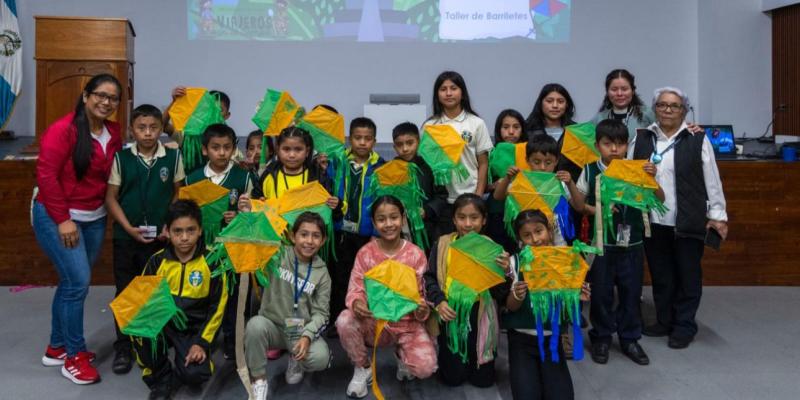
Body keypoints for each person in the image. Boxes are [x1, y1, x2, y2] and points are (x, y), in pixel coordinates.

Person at [34, 73, 123, 385]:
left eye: (113, 98)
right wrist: (62, 220)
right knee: (78, 283)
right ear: (86, 95)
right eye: (100, 94)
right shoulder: (64, 130)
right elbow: (46, 176)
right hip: (58, 215)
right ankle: (73, 355)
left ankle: (56, 346)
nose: (106, 102)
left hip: (94, 217)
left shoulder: (113, 131)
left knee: (71, 283)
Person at [629, 87, 728, 349]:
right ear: (655, 109)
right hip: (653, 219)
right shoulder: (641, 138)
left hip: (688, 218)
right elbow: (627, 176)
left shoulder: (697, 138)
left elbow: (712, 179)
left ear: (683, 110)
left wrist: (718, 215)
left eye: (674, 106)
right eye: (662, 105)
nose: (668, 110)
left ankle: (684, 325)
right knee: (661, 275)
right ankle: (664, 320)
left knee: (688, 275)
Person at [566, 119, 663, 365]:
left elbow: (659, 198)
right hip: (602, 245)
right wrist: (576, 189)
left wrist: (654, 178)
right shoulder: (590, 170)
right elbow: (578, 206)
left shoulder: (637, 169)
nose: (614, 149)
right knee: (601, 293)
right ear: (598, 145)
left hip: (633, 244)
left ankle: (630, 338)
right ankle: (601, 338)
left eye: (620, 144)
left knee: (631, 293)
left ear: (626, 146)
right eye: (608, 144)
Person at [105, 104, 185, 374]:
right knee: (127, 291)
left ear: (162, 129)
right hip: (127, 237)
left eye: (153, 128)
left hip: (160, 237)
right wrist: (128, 228)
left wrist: (168, 225)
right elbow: (111, 198)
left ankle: (152, 343)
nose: (148, 133)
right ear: (132, 130)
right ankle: (124, 347)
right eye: (141, 128)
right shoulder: (121, 158)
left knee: (157, 289)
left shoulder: (172, 157)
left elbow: (178, 194)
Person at [337, 195, 437, 398]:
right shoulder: (365, 254)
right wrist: (357, 303)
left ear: (403, 218)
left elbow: (424, 294)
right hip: (374, 322)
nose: (389, 224)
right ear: (374, 223)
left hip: (407, 324)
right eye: (381, 219)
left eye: (394, 217)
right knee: (345, 320)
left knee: (426, 367)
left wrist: (423, 308)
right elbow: (355, 289)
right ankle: (363, 366)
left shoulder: (416, 254)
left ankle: (402, 354)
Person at [134, 200, 227, 400]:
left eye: (190, 230)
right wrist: (147, 327)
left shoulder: (212, 262)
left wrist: (201, 343)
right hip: (165, 323)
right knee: (142, 333)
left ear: (200, 230)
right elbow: (142, 302)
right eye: (177, 231)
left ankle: (198, 359)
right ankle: (162, 377)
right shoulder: (156, 261)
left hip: (194, 329)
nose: (184, 238)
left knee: (195, 375)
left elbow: (218, 308)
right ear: (167, 231)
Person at [424, 194, 509, 388]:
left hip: (481, 316)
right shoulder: (443, 244)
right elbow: (429, 277)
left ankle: (480, 361)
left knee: (484, 381)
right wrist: (440, 301)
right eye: (462, 217)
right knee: (452, 379)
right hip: (451, 316)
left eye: (474, 217)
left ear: (484, 220)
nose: (468, 223)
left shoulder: (492, 250)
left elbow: (500, 293)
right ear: (454, 219)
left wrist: (506, 272)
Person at [246, 212, 333, 400]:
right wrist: (248, 216)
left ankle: (295, 358)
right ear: (293, 236)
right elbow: (255, 241)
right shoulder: (277, 254)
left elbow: (321, 314)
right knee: (254, 325)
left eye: (316, 236)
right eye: (303, 234)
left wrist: (307, 336)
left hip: (297, 328)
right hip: (271, 323)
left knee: (320, 358)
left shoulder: (322, 272)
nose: (309, 241)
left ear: (323, 240)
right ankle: (259, 382)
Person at [184, 123, 253, 359]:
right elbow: (185, 214)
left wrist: (241, 215)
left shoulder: (243, 178)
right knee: (204, 294)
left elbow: (253, 214)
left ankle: (234, 342)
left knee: (233, 298)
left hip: (233, 249)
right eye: (215, 147)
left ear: (234, 149)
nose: (221, 153)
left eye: (227, 147)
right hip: (201, 248)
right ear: (205, 150)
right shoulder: (192, 178)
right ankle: (204, 340)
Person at [498, 210, 575, 400]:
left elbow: (567, 312)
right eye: (527, 235)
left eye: (539, 231)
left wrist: (576, 297)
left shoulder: (565, 261)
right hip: (521, 341)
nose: (535, 239)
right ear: (520, 239)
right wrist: (516, 294)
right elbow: (511, 307)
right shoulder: (513, 263)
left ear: (549, 231)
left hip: (552, 340)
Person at [328, 117, 385, 326]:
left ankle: (366, 322)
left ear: (374, 141)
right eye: (357, 138)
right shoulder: (337, 162)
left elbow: (382, 202)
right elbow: (326, 188)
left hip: (366, 232)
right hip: (340, 230)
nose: (362, 142)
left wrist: (377, 234)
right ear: (349, 139)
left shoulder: (380, 167)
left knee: (366, 278)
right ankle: (338, 320)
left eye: (367, 139)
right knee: (339, 275)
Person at [423, 71, 494, 235]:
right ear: (437, 94)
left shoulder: (476, 123)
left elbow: (483, 163)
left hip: (470, 197)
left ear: (462, 93)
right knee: (444, 250)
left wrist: (478, 196)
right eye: (443, 89)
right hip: (442, 201)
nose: (448, 93)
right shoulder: (430, 126)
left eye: (453, 88)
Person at [492, 134, 573, 246]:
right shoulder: (521, 182)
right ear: (527, 160)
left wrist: (570, 183)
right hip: (528, 241)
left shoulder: (560, 183)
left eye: (548, 162)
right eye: (537, 162)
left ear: (556, 161)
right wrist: (507, 178)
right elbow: (498, 196)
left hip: (557, 240)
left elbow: (579, 206)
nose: (542, 167)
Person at [391, 122, 448, 252]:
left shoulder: (431, 167)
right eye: (400, 145)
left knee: (426, 261)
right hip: (400, 229)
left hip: (427, 227)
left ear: (418, 142)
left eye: (410, 143)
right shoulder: (390, 170)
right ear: (394, 147)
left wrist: (427, 210)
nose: (405, 149)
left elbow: (442, 195)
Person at [487, 109, 527, 253]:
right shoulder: (491, 152)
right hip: (497, 209)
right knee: (499, 250)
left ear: (522, 130)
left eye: (516, 127)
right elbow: (481, 183)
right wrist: (493, 186)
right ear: (499, 130)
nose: (511, 132)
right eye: (506, 127)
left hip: (522, 209)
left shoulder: (528, 151)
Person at [590, 69, 656, 142]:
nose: (619, 94)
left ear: (633, 91)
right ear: (607, 92)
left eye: (624, 89)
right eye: (614, 89)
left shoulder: (646, 113)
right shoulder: (599, 118)